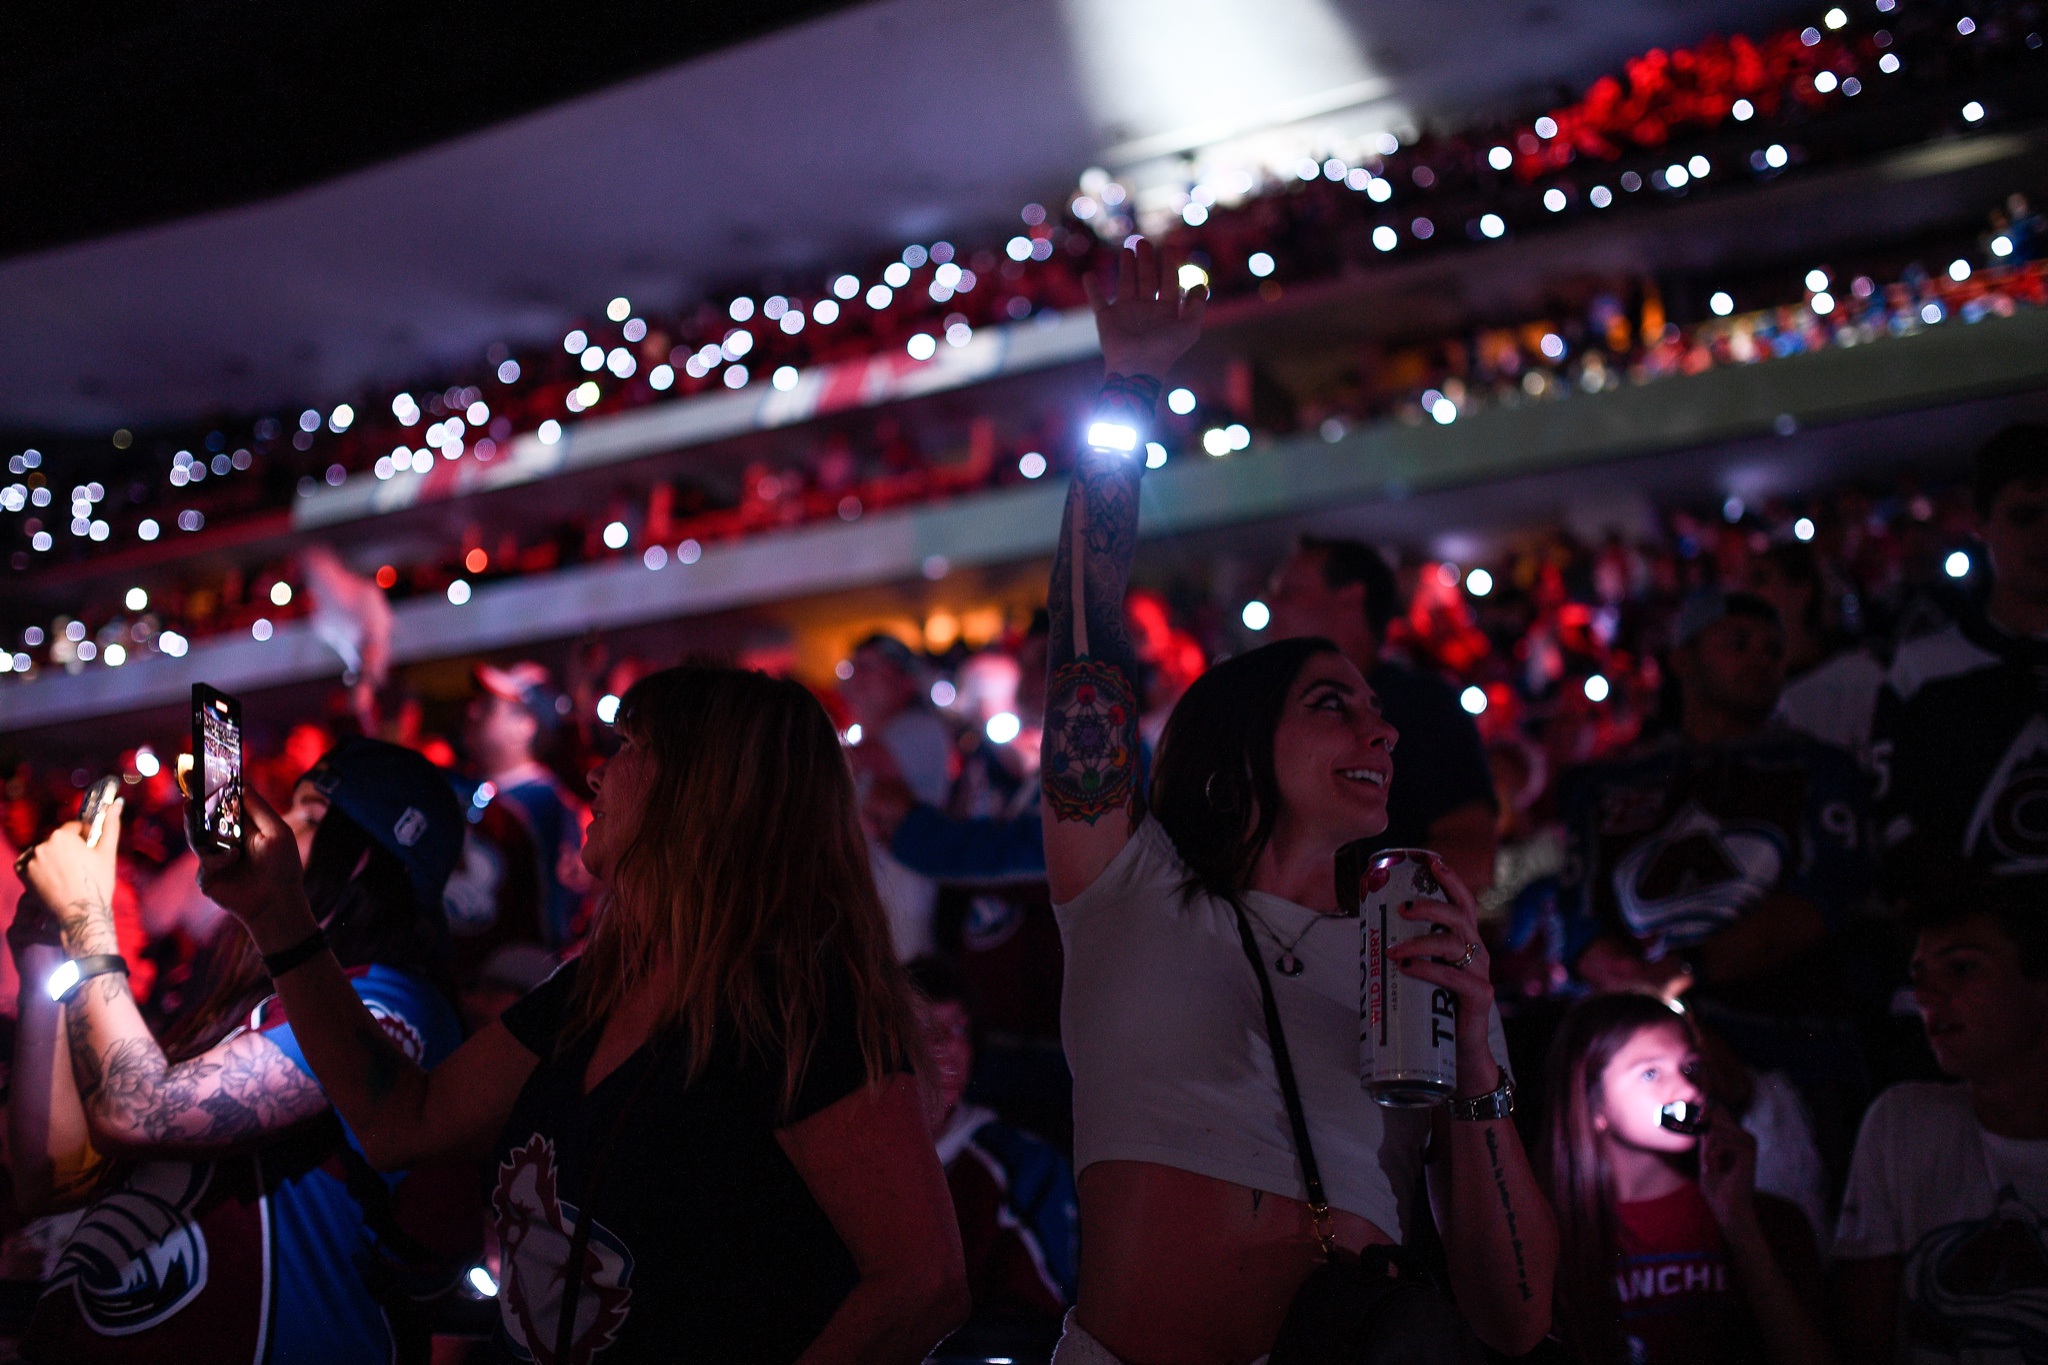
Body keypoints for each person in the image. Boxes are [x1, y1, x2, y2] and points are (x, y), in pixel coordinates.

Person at [1043, 239, 1555, 1363]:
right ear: (1241, 737)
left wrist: (1475, 1055)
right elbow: (1082, 640)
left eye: (1381, 715)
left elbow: (1514, 1315)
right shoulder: (1126, 889)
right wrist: (1128, 388)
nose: (1379, 731)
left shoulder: (1407, 968)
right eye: (1335, 703)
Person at [195, 663, 969, 1363]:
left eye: (629, 746)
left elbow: (922, 1281)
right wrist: (281, 919)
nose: (597, 772)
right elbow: (404, 1119)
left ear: (702, 788)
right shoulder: (597, 988)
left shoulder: (803, 1009)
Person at [9, 737, 471, 1364]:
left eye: (306, 815)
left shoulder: (386, 1008)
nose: (274, 829)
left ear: (363, 860)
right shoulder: (248, 998)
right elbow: (52, 1172)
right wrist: (45, 942)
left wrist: (92, 917)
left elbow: (140, 1110)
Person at [1539, 992, 1831, 1365]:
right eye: (1650, 1073)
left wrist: (1740, 1225)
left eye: (1690, 1068)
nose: (1689, 1091)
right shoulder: (1546, 1235)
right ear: (1594, 1104)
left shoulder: (1772, 1220)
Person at [1833, 886, 2048, 1365]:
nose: (1927, 997)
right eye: (1920, 977)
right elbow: (1863, 1347)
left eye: (1962, 968)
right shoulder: (1900, 1124)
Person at [1871, 425, 2048, 908]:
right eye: (2025, 516)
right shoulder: (1924, 668)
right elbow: (1895, 818)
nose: (2044, 535)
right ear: (1982, 525)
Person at [1266, 535, 1499, 893]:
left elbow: (1470, 855)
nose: (1272, 606)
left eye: (1289, 593)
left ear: (1349, 600)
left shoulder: (1420, 704)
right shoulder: (1272, 711)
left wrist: (1346, 917)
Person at [908, 956, 1076, 1338]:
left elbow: (1042, 1319)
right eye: (922, 1029)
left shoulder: (1024, 1165)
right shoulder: (855, 1157)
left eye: (959, 1028)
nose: (946, 1045)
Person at [841, 633, 956, 960]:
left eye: (870, 667)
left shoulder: (921, 729)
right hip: (872, 915)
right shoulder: (871, 737)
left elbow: (868, 760)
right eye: (854, 667)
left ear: (905, 681)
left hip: (904, 917)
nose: (856, 678)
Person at [463, 661, 591, 949]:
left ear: (525, 727)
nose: (472, 711)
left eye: (490, 706)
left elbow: (555, 919)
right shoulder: (472, 790)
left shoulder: (546, 805)